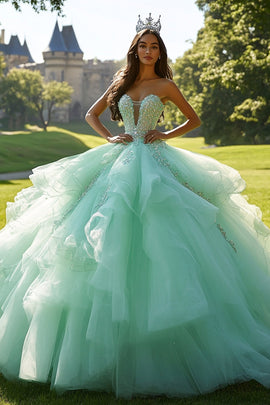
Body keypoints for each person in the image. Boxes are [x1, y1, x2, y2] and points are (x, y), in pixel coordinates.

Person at [0, 13, 270, 400]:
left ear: (160, 52)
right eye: (142, 45)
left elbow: (193, 119)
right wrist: (111, 137)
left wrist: (165, 133)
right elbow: (92, 114)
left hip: (157, 161)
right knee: (94, 235)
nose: (148, 51)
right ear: (134, 50)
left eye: (154, 46)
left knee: (168, 237)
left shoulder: (165, 84)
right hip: (121, 160)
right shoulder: (121, 82)